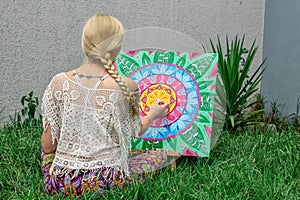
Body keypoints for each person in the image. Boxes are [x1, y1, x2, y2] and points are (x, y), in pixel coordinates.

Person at [40, 14, 169, 197]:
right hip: (105, 181)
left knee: (45, 152)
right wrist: (153, 114)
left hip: (61, 182)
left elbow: (48, 146)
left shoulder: (58, 82)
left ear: (84, 42)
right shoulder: (126, 86)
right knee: (158, 156)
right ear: (116, 48)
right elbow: (135, 130)